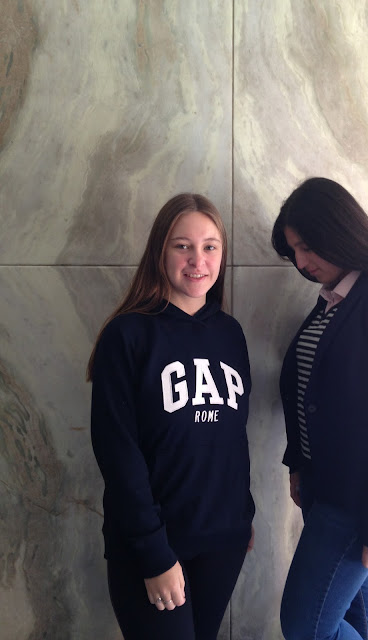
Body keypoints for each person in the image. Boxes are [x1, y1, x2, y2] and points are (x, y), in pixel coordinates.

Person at [87, 193, 255, 640]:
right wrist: (154, 553)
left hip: (223, 541)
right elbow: (117, 453)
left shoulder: (230, 333)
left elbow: (232, 438)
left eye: (210, 246)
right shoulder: (127, 334)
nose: (198, 260)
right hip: (154, 545)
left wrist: (242, 515)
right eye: (183, 246)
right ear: (160, 252)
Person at [271, 177, 368, 640]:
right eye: (294, 252)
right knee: (357, 615)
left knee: (303, 626)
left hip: (359, 497)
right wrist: (298, 464)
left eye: (306, 247)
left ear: (338, 229)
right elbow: (311, 392)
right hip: (323, 485)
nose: (301, 263)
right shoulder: (334, 299)